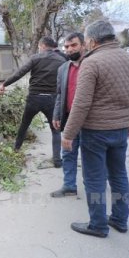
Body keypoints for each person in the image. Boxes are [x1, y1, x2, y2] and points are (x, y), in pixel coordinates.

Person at [62, 20, 129, 238]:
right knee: (118, 175)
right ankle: (120, 220)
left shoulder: (92, 62)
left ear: (92, 41)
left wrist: (68, 133)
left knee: (94, 179)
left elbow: (81, 103)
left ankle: (98, 224)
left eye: (86, 41)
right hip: (120, 130)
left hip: (95, 132)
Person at [0, 36, 66, 167]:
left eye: (40, 47)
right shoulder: (62, 60)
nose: (39, 49)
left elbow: (20, 73)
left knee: (24, 125)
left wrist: (4, 84)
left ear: (43, 46)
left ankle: (15, 151)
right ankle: (57, 160)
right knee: (55, 130)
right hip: (52, 99)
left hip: (34, 98)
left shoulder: (35, 58)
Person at [50, 32, 86, 197]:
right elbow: (59, 94)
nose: (69, 49)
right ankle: (69, 185)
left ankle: (92, 185)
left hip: (89, 121)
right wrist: (56, 115)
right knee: (68, 153)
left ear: (83, 45)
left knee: (89, 156)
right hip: (70, 118)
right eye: (66, 46)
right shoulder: (63, 68)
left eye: (74, 45)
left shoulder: (91, 65)